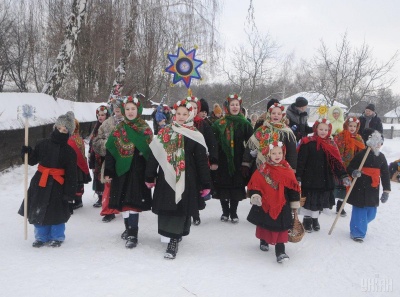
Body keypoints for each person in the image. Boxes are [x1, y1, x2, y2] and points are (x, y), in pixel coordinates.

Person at [145, 98, 211, 259]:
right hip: (166, 176)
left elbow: (201, 161)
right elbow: (155, 155)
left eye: (185, 114)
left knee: (181, 207)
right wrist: (149, 175)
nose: (181, 117)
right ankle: (169, 234)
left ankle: (173, 240)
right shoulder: (165, 132)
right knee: (168, 205)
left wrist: (205, 183)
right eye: (178, 113)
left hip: (187, 178)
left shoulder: (195, 135)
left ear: (191, 114)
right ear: (174, 114)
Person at [19, 112, 77, 248]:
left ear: (68, 133)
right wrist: (27, 153)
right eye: (59, 128)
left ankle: (57, 236)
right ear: (55, 127)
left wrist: (69, 193)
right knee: (38, 209)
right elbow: (32, 161)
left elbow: (72, 174)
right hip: (40, 182)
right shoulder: (43, 144)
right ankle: (41, 237)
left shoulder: (69, 151)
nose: (61, 131)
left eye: (65, 130)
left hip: (58, 184)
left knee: (56, 211)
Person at [104, 95, 153, 248]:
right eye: (127, 109)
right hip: (121, 172)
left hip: (138, 172)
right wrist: (109, 172)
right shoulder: (119, 128)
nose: (130, 112)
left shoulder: (145, 129)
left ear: (138, 110)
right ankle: (128, 229)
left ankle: (133, 234)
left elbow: (151, 154)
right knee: (123, 202)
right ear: (123, 111)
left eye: (133, 109)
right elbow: (111, 150)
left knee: (133, 204)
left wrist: (151, 173)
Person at [247, 138, 301, 263]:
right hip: (265, 201)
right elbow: (256, 185)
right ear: (268, 154)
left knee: (281, 227)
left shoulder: (287, 170)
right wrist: (255, 196)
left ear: (283, 153)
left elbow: (293, 188)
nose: (277, 156)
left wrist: (294, 202)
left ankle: (280, 250)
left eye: (280, 153)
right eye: (274, 153)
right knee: (265, 223)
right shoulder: (263, 169)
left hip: (282, 203)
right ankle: (264, 240)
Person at [296, 118, 351, 232]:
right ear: (315, 129)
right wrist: (298, 176)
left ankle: (315, 219)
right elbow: (301, 161)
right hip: (309, 177)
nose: (323, 131)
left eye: (326, 129)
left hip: (325, 178)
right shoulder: (308, 142)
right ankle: (307, 220)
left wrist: (343, 175)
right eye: (321, 129)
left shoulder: (331, 144)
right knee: (309, 201)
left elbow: (336, 162)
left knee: (319, 201)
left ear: (329, 131)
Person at [212, 94, 253, 223]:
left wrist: (248, 159)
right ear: (227, 107)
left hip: (238, 159)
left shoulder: (245, 123)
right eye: (232, 104)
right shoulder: (219, 123)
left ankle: (234, 212)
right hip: (223, 159)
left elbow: (251, 142)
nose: (234, 107)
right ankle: (225, 211)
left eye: (237, 105)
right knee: (223, 186)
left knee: (236, 185)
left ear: (240, 107)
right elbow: (213, 142)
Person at [346, 129, 390, 242]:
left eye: (380, 143)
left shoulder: (381, 157)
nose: (379, 145)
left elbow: (385, 174)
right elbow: (350, 167)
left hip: (373, 188)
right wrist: (354, 172)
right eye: (377, 142)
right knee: (359, 211)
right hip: (360, 186)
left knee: (371, 213)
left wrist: (386, 191)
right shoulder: (361, 154)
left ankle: (359, 224)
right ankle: (357, 232)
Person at [92, 98, 124, 222]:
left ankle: (124, 207)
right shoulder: (106, 124)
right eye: (114, 106)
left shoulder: (130, 122)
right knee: (109, 185)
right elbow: (96, 141)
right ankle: (109, 210)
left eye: (120, 106)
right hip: (110, 161)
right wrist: (109, 145)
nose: (117, 108)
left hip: (127, 160)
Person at [243, 102, 297, 176]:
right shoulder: (262, 129)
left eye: (279, 114)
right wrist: (246, 163)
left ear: (283, 116)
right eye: (273, 113)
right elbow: (250, 146)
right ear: (269, 115)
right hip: (260, 167)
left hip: (279, 168)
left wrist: (292, 169)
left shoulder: (287, 132)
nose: (276, 115)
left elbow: (292, 152)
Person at [189, 96, 218, 225]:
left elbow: (212, 143)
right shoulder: (179, 123)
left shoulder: (202, 124)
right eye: (190, 107)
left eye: (195, 108)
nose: (193, 110)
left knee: (196, 187)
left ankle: (195, 213)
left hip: (199, 161)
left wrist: (214, 159)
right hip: (184, 161)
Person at [333, 117, 365, 216]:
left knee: (347, 187)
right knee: (338, 185)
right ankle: (327, 202)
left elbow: (362, 152)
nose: (352, 128)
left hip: (353, 166)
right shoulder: (340, 136)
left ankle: (340, 206)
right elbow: (336, 150)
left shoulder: (358, 138)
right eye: (350, 125)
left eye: (354, 126)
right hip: (341, 165)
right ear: (346, 125)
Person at [67, 119, 92, 213]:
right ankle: (73, 200)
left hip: (77, 165)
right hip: (72, 164)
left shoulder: (75, 138)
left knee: (77, 183)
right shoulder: (73, 138)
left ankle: (78, 201)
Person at [88, 105, 110, 208]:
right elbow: (91, 142)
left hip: (106, 156)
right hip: (96, 157)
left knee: (106, 176)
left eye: (103, 115)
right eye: (99, 115)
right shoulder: (96, 127)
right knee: (97, 177)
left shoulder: (110, 126)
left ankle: (108, 197)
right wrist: (90, 155)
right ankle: (100, 197)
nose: (100, 117)